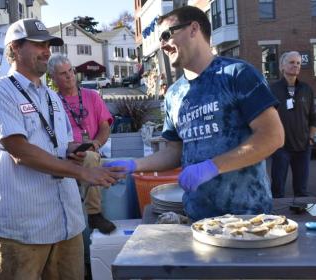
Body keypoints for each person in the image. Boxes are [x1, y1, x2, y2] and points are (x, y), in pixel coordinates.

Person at [104, 6, 284, 221]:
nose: (162, 44)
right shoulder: (174, 94)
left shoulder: (237, 74)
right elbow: (174, 152)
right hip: (197, 219)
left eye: (166, 35)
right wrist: (134, 164)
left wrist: (213, 166)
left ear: (193, 29)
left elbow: (273, 136)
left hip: (248, 216)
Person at [0, 18, 123, 279]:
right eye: (37, 44)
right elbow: (19, 150)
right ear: (15, 48)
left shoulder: (52, 97)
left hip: (67, 225)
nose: (46, 50)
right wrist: (81, 173)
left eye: (48, 45)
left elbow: (61, 143)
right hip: (23, 230)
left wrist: (79, 151)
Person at [47, 53, 116, 234]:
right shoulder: (51, 101)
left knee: (91, 157)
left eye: (70, 70)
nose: (69, 75)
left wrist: (96, 143)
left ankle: (94, 214)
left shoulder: (92, 96)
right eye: (63, 73)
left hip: (91, 151)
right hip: (64, 154)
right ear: (53, 78)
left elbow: (104, 127)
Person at [270, 51, 316, 198]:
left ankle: (301, 217)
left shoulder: (306, 89)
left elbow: (313, 117)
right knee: (278, 189)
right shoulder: (272, 89)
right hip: (280, 147)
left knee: (301, 190)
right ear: (282, 66)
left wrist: (310, 138)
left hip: (303, 147)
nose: (295, 65)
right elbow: (267, 118)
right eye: (291, 62)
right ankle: (276, 219)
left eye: (298, 63)